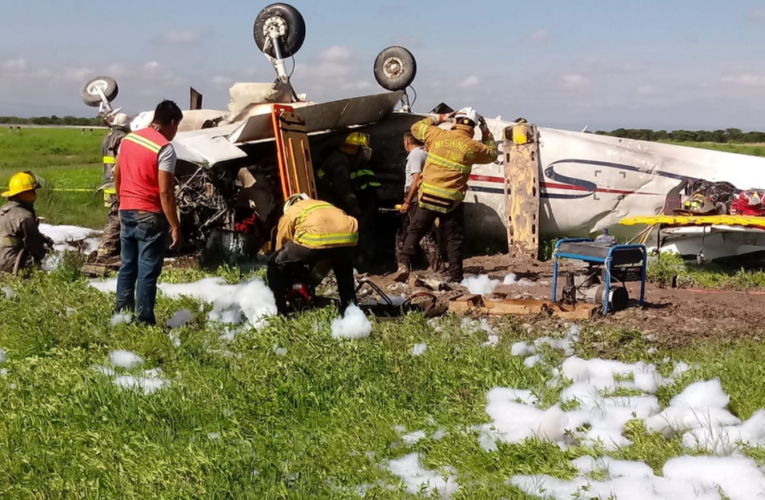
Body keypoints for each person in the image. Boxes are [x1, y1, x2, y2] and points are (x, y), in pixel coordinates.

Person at [395, 108, 498, 283]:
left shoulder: (437, 135)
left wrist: (441, 117)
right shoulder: (473, 147)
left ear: (456, 121)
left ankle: (403, 262)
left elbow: (416, 128)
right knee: (454, 238)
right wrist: (486, 129)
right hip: (451, 202)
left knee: (416, 230)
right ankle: (456, 277)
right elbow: (492, 154)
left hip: (427, 197)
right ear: (473, 125)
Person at [114, 100, 184, 325]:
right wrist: (175, 226)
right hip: (150, 214)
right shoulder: (164, 148)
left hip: (126, 209)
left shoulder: (128, 139)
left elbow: (117, 174)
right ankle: (144, 320)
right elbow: (165, 193)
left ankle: (121, 315)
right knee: (147, 270)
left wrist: (122, 199)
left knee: (127, 266)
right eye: (177, 126)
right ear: (172, 123)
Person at [268, 194, 358, 315]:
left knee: (275, 264)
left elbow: (282, 241)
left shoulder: (293, 209)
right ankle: (350, 310)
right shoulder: (325, 204)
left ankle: (279, 312)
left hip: (315, 239)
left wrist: (281, 260)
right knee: (343, 269)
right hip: (348, 239)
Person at [316, 132, 380, 269]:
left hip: (330, 200)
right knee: (352, 230)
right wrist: (354, 205)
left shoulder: (341, 158)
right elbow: (343, 186)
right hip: (331, 202)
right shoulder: (341, 162)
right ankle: (352, 264)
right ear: (357, 149)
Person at [397, 131, 442, 272]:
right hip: (423, 195)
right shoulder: (425, 153)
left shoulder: (415, 155)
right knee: (412, 231)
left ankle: (437, 268)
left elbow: (416, 179)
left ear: (407, 141)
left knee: (422, 232)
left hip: (416, 197)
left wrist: (407, 200)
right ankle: (406, 265)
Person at [0, 172, 53, 274]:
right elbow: (35, 247)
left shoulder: (2, 211)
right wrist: (44, 251)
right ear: (27, 194)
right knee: (37, 270)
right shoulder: (25, 216)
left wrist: (41, 237)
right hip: (12, 263)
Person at [96, 113, 131, 262]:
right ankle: (106, 251)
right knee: (116, 217)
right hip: (117, 182)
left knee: (114, 215)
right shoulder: (123, 138)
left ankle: (114, 247)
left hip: (107, 182)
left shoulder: (107, 137)